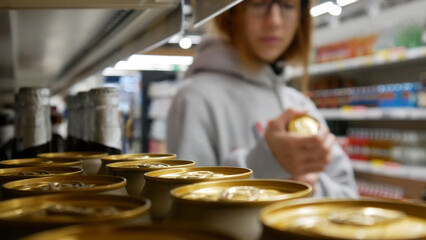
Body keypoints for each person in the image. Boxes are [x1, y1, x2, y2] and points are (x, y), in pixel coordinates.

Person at [167, 0, 358, 198]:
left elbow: (349, 198)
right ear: (231, 13)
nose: (274, 21)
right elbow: (187, 207)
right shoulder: (194, 99)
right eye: (259, 3)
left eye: (287, 6)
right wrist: (267, 167)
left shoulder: (299, 104)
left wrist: (309, 185)